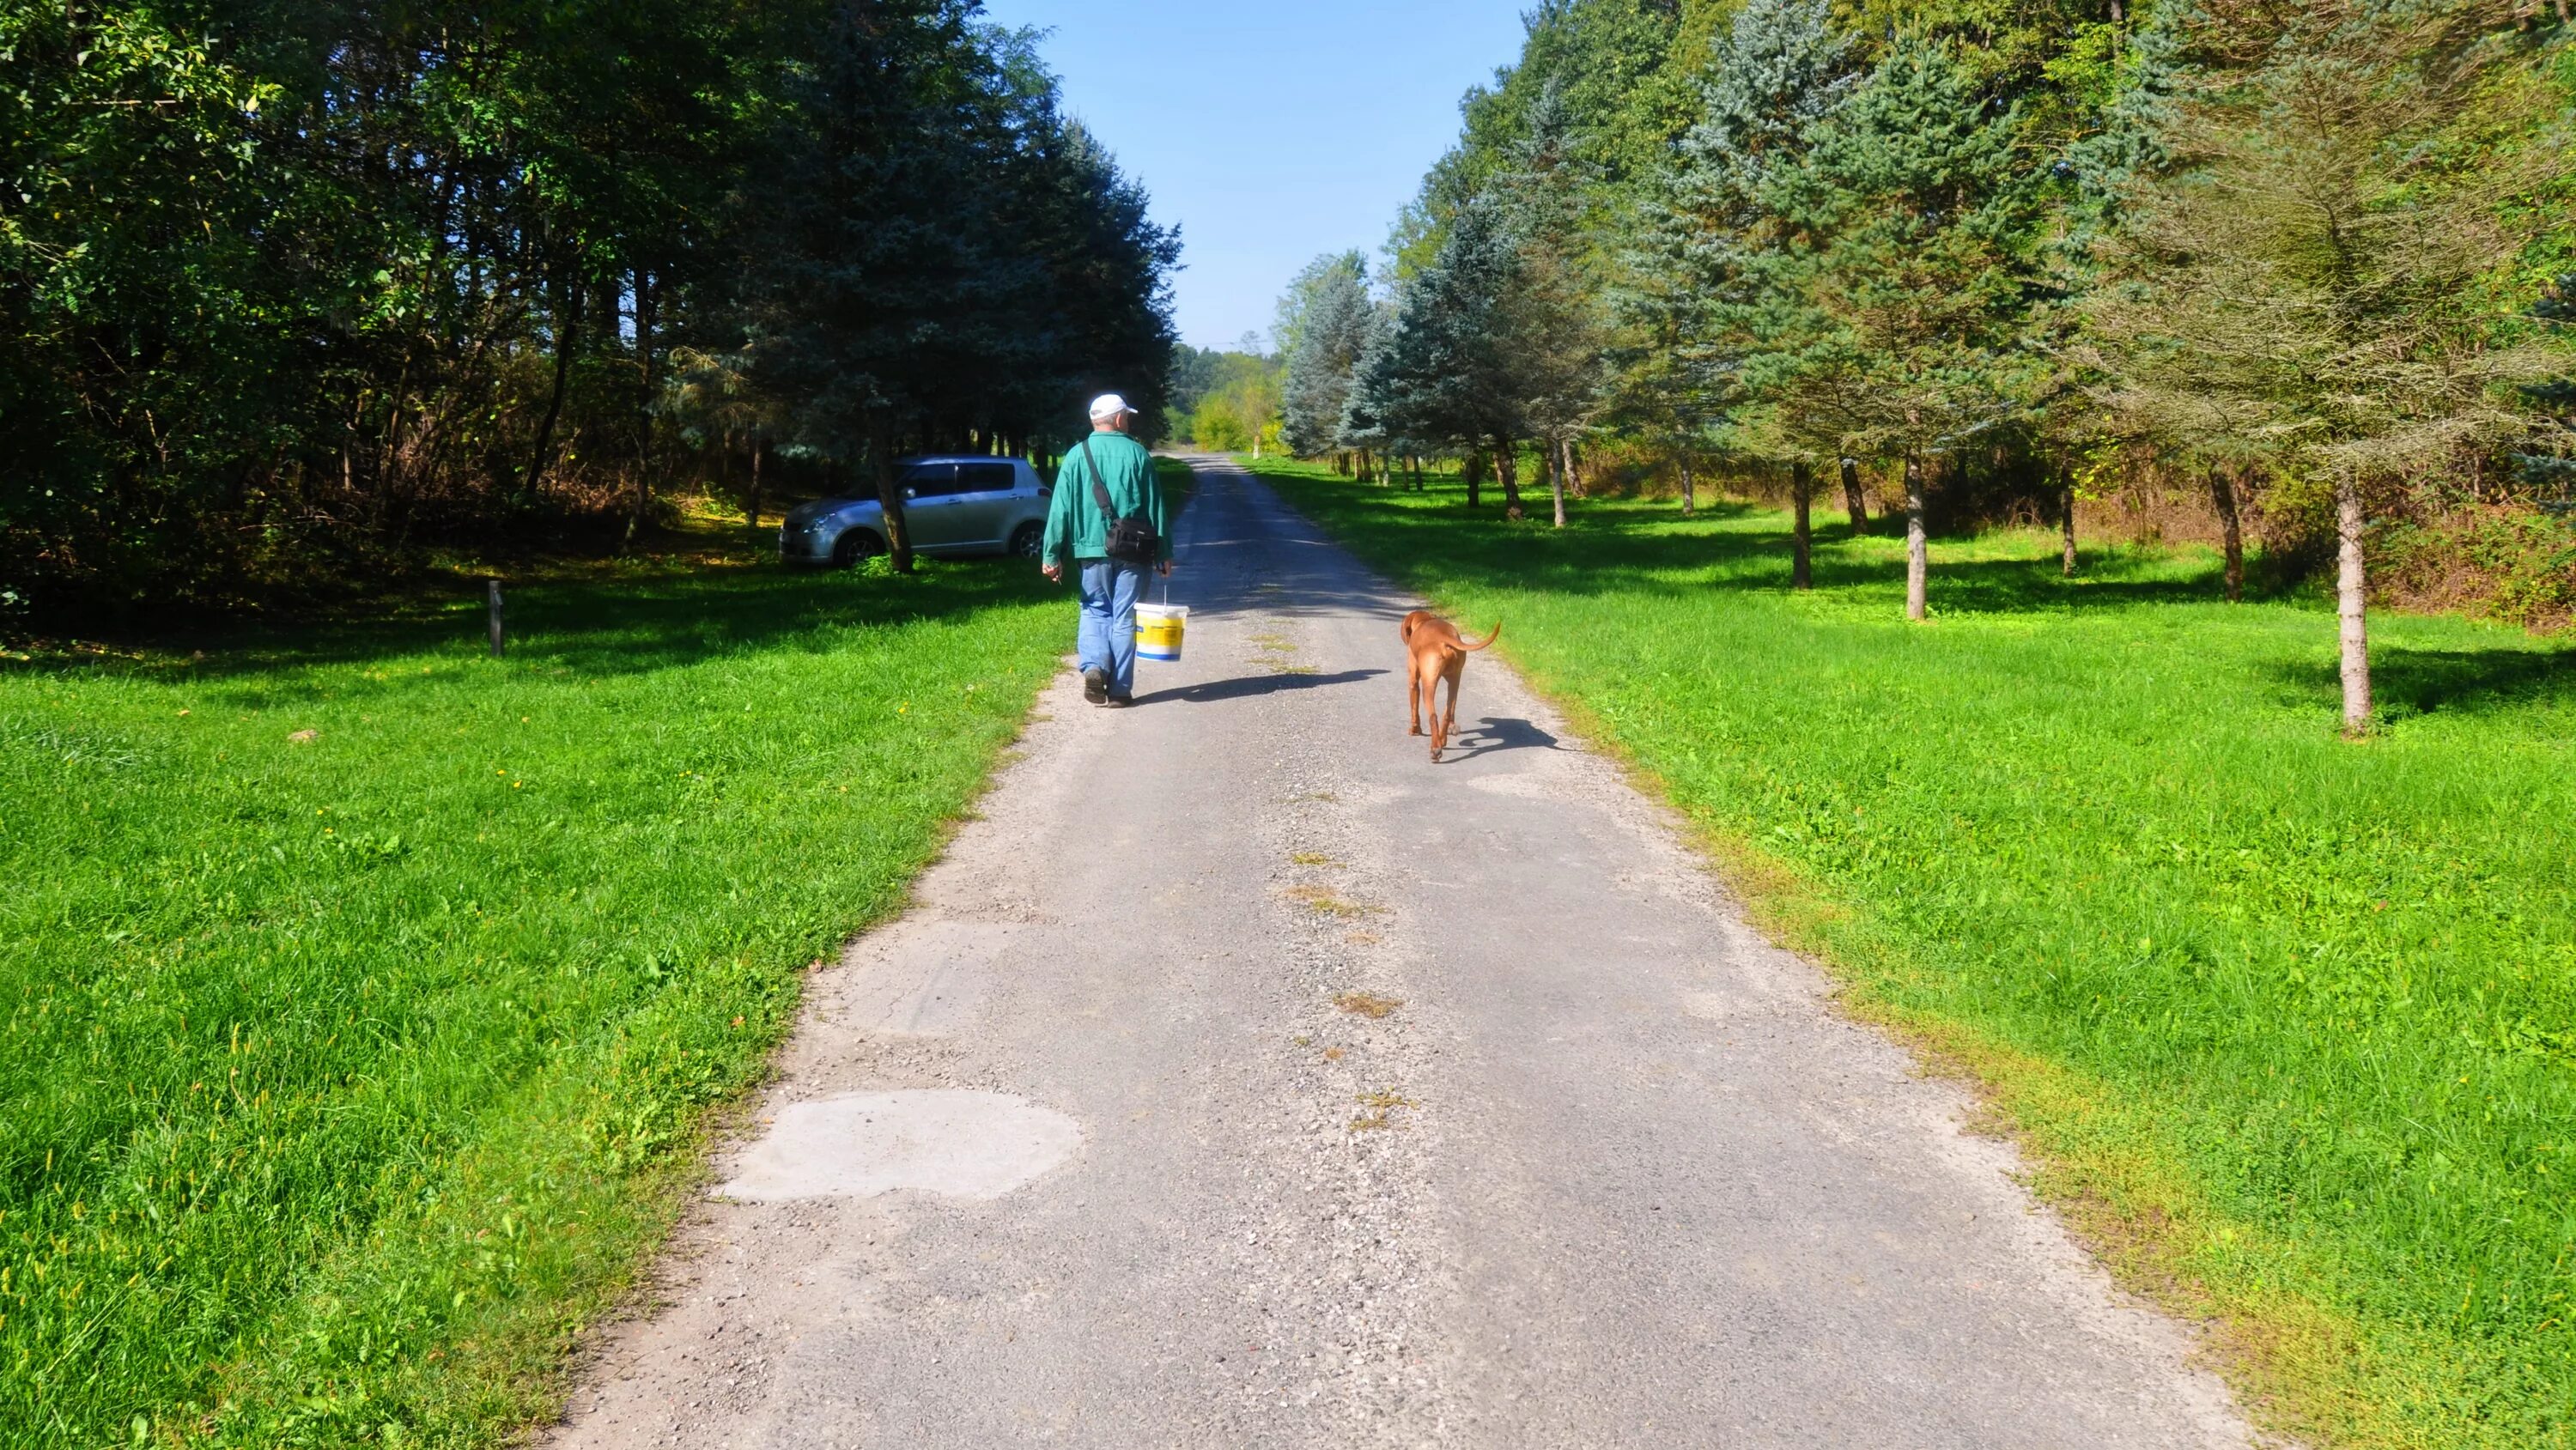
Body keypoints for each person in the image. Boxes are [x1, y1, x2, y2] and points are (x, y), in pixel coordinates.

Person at [1041, 393, 1173, 706]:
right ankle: (1119, 691)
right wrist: (1164, 551)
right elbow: (1156, 508)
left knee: (1094, 609)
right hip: (1134, 550)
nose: (1128, 420)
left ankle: (1095, 666)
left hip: (1090, 549)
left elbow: (1059, 509)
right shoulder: (1138, 454)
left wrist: (1051, 554)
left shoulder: (1075, 456)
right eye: (1126, 416)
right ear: (1117, 419)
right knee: (1125, 616)